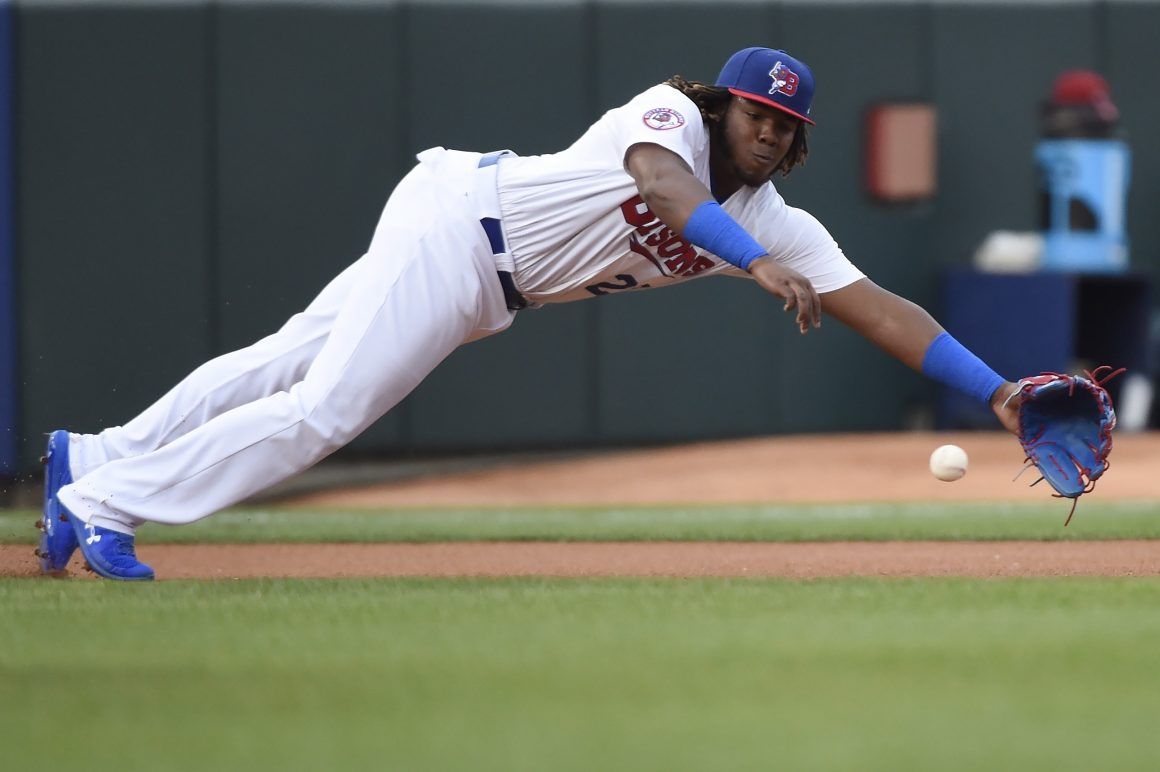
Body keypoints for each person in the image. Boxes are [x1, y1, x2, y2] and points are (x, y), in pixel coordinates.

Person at [36, 46, 1023, 581]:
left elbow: (882, 310)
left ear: (793, 141)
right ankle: (105, 505)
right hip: (462, 227)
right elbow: (667, 192)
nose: (764, 130)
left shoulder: (776, 219)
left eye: (782, 124)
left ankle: (93, 455)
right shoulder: (667, 116)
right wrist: (756, 264)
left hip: (482, 270)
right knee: (326, 407)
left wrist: (996, 391)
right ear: (722, 106)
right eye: (753, 112)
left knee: (287, 356)